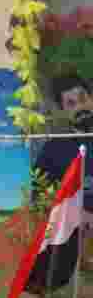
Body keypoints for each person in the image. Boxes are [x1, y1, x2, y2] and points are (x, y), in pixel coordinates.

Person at [32, 73, 93, 218]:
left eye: (83, 99)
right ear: (63, 112)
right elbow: (39, 201)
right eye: (71, 104)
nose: (80, 107)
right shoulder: (52, 151)